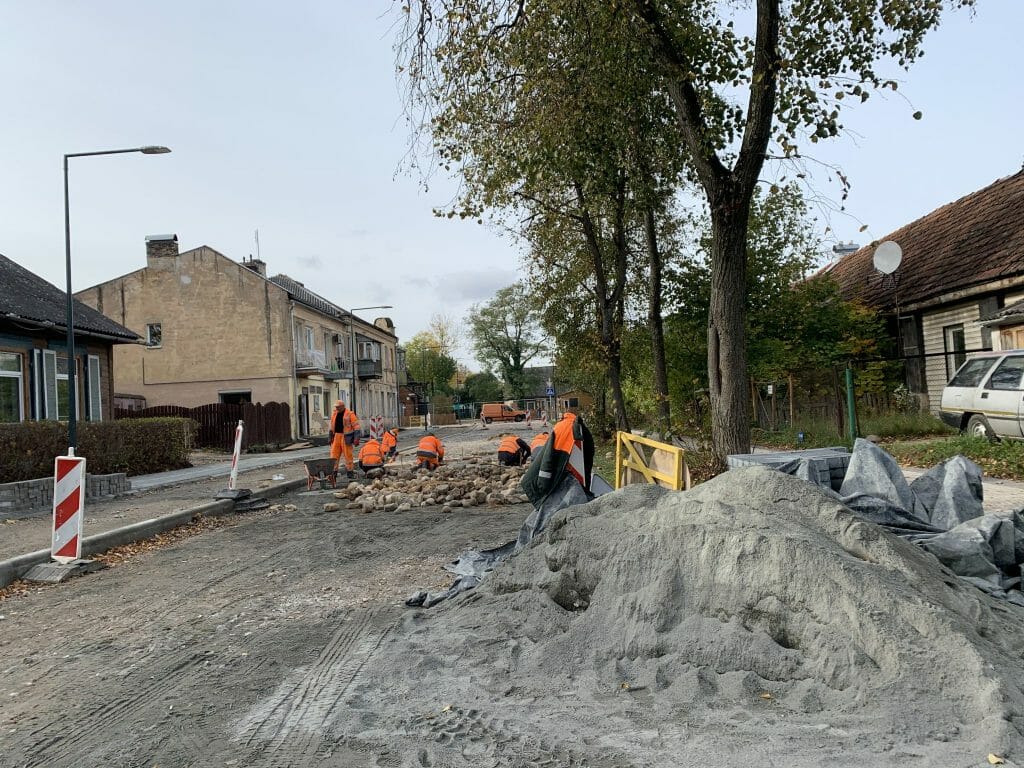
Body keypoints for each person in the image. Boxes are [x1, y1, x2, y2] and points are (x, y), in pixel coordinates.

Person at [521, 410, 594, 506]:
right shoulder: (581, 429)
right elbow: (588, 463)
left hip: (536, 466)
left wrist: (543, 484)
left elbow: (547, 460)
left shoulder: (560, 429)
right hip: (542, 472)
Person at [328, 400, 361, 479]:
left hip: (346, 437)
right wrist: (330, 437)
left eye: (338, 407)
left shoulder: (350, 414)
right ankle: (333, 473)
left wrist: (356, 438)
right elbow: (331, 427)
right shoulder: (334, 414)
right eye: (336, 407)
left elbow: (356, 427)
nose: (337, 408)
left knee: (348, 455)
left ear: (343, 406)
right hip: (336, 436)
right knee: (333, 455)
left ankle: (350, 473)